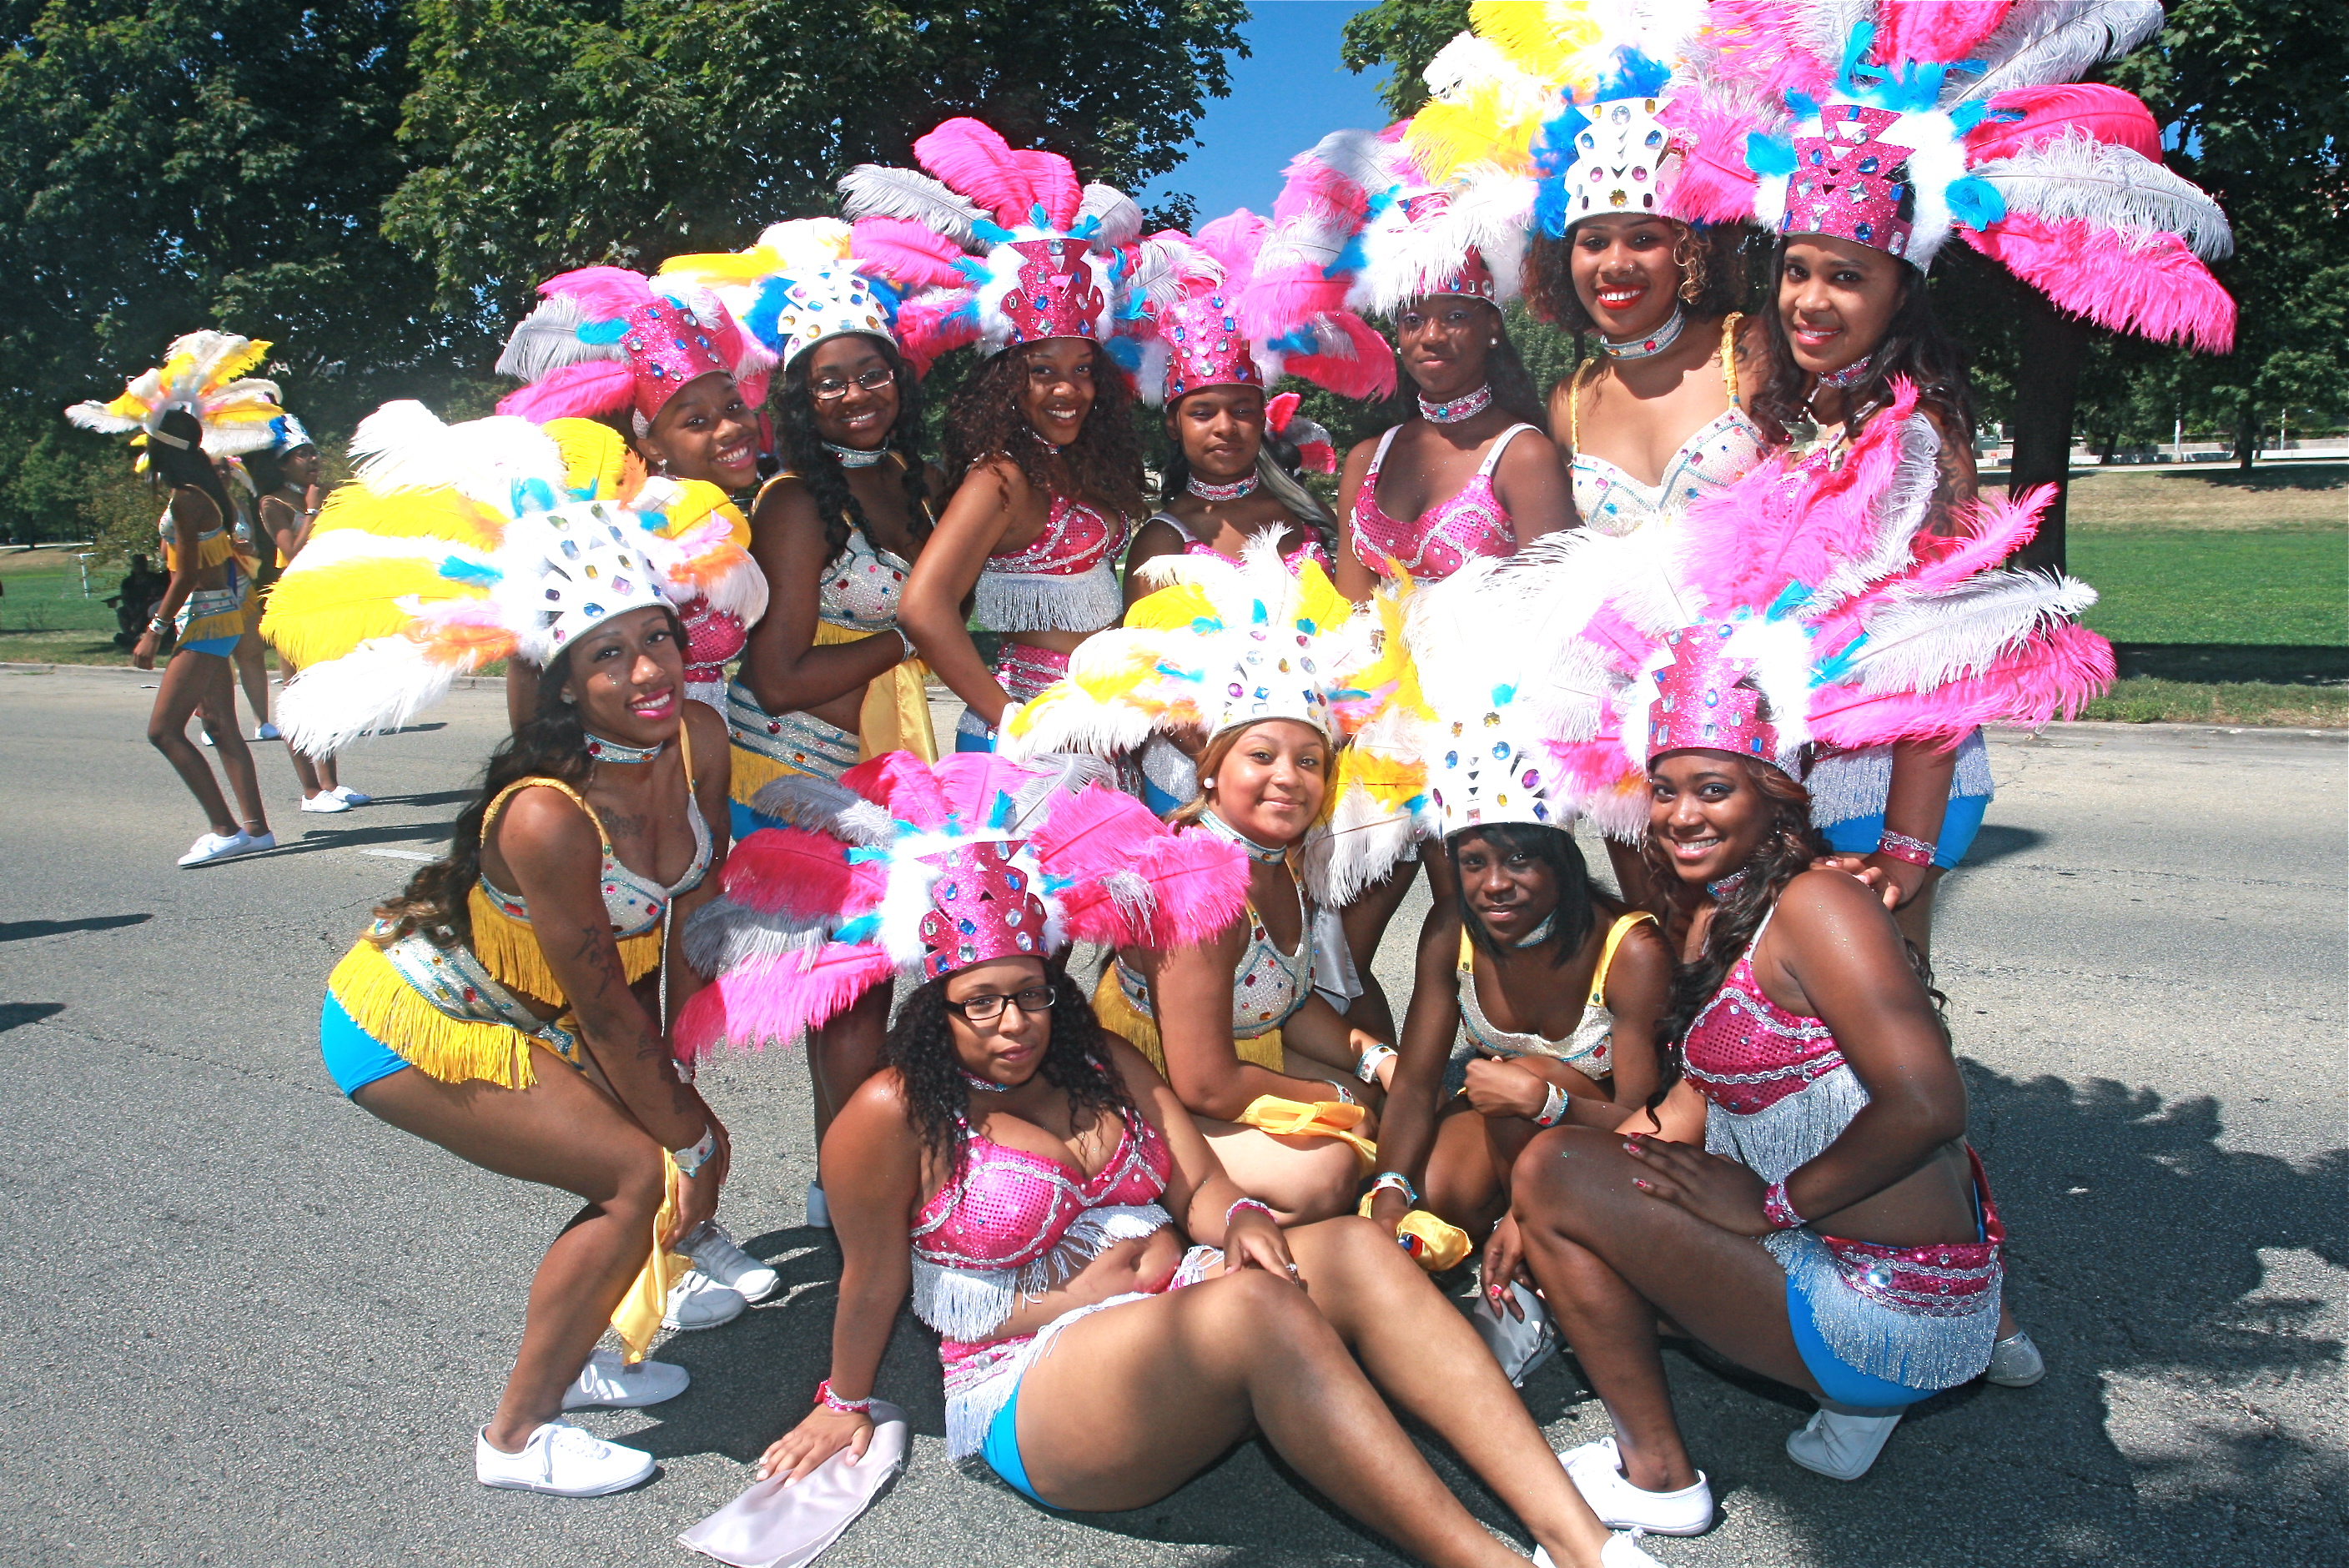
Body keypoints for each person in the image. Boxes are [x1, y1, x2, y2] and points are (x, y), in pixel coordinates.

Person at [683, 753, 1661, 1568]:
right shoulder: (891, 1114)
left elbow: (1199, 1184)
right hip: (1032, 1386)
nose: (1012, 1023)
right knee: (1256, 1307)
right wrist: (843, 1399)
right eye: (980, 1002)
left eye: (1030, 992)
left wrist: (1240, 1218)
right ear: (935, 1008)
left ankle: (1584, 1544)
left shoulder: (1095, 1058)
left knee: (1358, 1249)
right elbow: (870, 1276)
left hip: (1178, 1305)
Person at [1490, 404, 2119, 1502]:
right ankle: (1846, 1404)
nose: (1680, 816)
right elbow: (1682, 1111)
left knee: (1554, 1176)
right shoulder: (1716, 914)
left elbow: (1928, 1103)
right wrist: (1529, 1210)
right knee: (1550, 1183)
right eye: (1664, 791)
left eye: (1713, 789)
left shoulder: (1823, 904)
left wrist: (1766, 1206)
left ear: (1777, 795)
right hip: (1840, 1265)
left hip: (1892, 1304)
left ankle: (1658, 1477)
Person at [1653, 0, 2236, 959]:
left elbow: (1939, 655)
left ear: (1899, 290)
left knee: (1880, 1012)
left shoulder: (1916, 437)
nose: (1809, 299)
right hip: (1805, 775)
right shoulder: (1800, 421)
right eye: (1797, 271)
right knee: (1792, 1018)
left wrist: (1906, 851)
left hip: (1889, 790)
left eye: (1845, 276)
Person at [264, 410, 772, 1496]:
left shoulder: (699, 738)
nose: (646, 669)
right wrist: (680, 1126)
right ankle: (514, 1438)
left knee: (666, 1150)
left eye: (656, 637)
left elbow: (688, 913)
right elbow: (600, 1005)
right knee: (637, 1172)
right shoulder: (548, 813)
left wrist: (679, 1073)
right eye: (607, 654)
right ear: (564, 682)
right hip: (412, 1019)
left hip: (532, 1011)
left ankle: (582, 1362)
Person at [1250, 135, 1572, 1037]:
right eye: (1415, 316)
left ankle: (1507, 1071)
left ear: (1492, 323)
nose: (1432, 336)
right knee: (1332, 935)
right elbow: (1351, 614)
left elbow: (1556, 619)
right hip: (1382, 734)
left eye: (1454, 315)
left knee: (1475, 926)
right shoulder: (1369, 455)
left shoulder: (1523, 453)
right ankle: (1371, 1080)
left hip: (1486, 734)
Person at [661, 218, 943, 1227]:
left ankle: (844, 1184)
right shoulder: (793, 501)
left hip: (879, 762)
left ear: (898, 378)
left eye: (871, 373)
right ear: (798, 395)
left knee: (864, 992)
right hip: (792, 772)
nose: (855, 394)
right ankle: (841, 1194)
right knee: (850, 995)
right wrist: (911, 636)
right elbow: (776, 678)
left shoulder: (913, 481)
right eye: (829, 382)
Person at [1004, 548, 1401, 1222]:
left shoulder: (1280, 860)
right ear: (1211, 770)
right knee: (1331, 1170)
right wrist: (1334, 1100)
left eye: (1310, 761)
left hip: (1234, 1061)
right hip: (1157, 1092)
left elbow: (1286, 999)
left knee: (1386, 1108)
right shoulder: (1196, 885)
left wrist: (1375, 1060)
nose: (1289, 778)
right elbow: (1206, 1083)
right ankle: (1191, 1225)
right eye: (1262, 756)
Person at [840, 118, 1145, 754]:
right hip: (1031, 743)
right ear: (1009, 380)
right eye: (1043, 371)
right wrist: (1015, 721)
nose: (1067, 390)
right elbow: (924, 608)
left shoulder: (1081, 462)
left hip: (1099, 734)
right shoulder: (1000, 477)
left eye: (1083, 370)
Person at [1119, 211, 1391, 817]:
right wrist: (1225, 771)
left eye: (1242, 410)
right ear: (1174, 423)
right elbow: (1147, 678)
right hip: (1196, 773)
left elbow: (1356, 633)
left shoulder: (1306, 515)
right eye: (1203, 412)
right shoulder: (1163, 541)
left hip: (1308, 768)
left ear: (1263, 416)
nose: (1225, 427)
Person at [495, 265, 773, 721]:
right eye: (696, 422)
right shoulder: (621, 525)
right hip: (630, 755)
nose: (730, 428)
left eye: (733, 405)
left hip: (707, 744)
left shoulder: (720, 519)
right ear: (651, 446)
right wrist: (533, 754)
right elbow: (529, 655)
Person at [67, 331, 283, 867]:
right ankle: (256, 830)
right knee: (219, 724)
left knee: (164, 731)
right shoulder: (209, 490)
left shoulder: (187, 499)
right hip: (219, 616)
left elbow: (185, 574)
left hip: (205, 621)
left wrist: (153, 631)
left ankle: (225, 829)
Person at [246, 410, 368, 812]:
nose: (313, 459)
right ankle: (310, 791)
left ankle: (330, 783)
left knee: (326, 693)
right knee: (298, 696)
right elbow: (291, 551)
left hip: (327, 598)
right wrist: (313, 511)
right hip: (294, 602)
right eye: (303, 454)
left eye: (314, 452)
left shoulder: (325, 493)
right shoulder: (272, 503)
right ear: (283, 463)